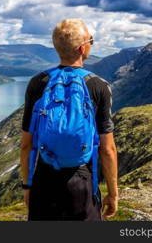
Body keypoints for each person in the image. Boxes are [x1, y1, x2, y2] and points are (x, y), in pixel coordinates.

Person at [20, 19, 118, 221]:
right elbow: (107, 149)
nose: (91, 43)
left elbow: (26, 145)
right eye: (91, 40)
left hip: (44, 179)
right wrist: (113, 194)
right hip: (81, 183)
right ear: (83, 48)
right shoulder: (98, 86)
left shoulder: (38, 83)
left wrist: (27, 186)